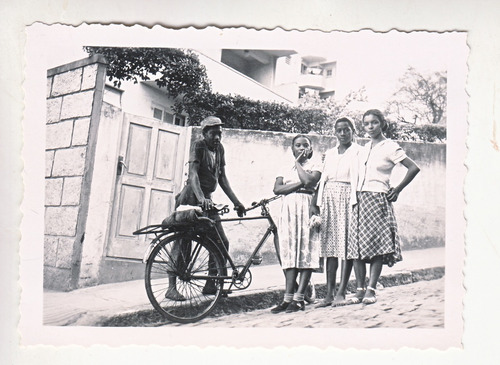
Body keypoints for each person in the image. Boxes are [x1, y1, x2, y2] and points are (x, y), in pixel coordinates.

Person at [165, 116, 246, 300]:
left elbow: (222, 178)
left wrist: (236, 201)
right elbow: (193, 175)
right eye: (213, 133)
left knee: (221, 241)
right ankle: (171, 287)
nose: (217, 137)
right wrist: (201, 198)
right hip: (191, 197)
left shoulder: (220, 149)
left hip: (207, 200)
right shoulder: (199, 146)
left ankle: (211, 283)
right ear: (204, 134)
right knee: (184, 240)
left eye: (219, 133)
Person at [347, 109, 420, 305]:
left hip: (377, 199)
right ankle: (360, 289)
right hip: (359, 200)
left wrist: (397, 189)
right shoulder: (362, 149)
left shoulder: (390, 147)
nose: (370, 127)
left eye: (374, 123)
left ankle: (371, 289)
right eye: (366, 123)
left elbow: (414, 168)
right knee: (356, 247)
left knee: (376, 246)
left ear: (382, 124)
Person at [271, 135, 322, 313]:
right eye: (298, 145)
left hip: (307, 208)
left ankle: (299, 299)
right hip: (289, 210)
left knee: (306, 251)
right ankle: (287, 298)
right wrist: (301, 183)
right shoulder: (285, 168)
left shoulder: (316, 166)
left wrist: (298, 166)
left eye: (305, 145)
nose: (301, 148)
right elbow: (277, 189)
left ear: (310, 149)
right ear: (292, 149)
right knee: (289, 253)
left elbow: (310, 181)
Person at [312, 117, 360, 307]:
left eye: (346, 130)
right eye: (339, 130)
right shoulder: (330, 154)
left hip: (348, 197)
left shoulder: (359, 152)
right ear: (335, 132)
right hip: (328, 198)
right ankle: (329, 294)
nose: (342, 133)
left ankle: (342, 292)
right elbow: (322, 179)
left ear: (353, 131)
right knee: (329, 247)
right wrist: (316, 202)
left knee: (346, 246)